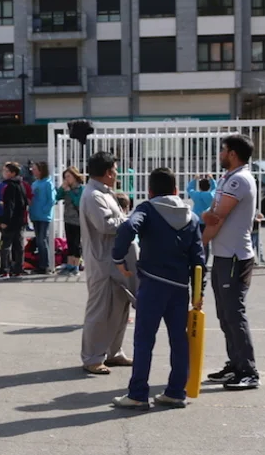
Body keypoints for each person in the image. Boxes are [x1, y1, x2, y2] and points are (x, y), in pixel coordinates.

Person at [112, 167, 206, 409]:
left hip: (153, 283)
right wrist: (199, 292)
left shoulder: (147, 209)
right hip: (180, 287)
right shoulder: (192, 217)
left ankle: (138, 394)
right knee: (179, 340)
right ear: (176, 190)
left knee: (144, 340)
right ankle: (176, 391)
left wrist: (118, 257)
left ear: (150, 191)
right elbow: (199, 259)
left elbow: (127, 227)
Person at [202, 134, 260, 390]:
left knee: (234, 314)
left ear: (233, 154)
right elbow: (211, 213)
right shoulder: (229, 178)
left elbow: (218, 216)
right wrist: (209, 215)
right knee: (225, 315)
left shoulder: (239, 180)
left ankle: (248, 371)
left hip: (235, 256)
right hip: (224, 255)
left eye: (223, 150)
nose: (220, 154)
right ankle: (235, 364)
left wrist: (201, 242)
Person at [79, 151, 133, 375]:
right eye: (115, 170)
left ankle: (113, 352)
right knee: (100, 311)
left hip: (115, 261)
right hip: (102, 262)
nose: (117, 174)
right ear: (108, 172)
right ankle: (92, 358)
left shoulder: (104, 193)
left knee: (119, 309)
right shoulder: (93, 195)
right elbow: (106, 225)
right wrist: (130, 221)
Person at [0, 161, 29, 278]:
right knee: (18, 245)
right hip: (20, 220)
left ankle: (4, 269)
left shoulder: (9, 186)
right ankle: (18, 268)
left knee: (5, 245)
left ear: (13, 173)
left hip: (11, 221)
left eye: (6, 171)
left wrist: (5, 221)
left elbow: (9, 205)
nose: (4, 173)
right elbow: (24, 202)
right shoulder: (21, 185)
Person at [56, 167, 85, 275]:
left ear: (75, 176)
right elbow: (57, 197)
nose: (67, 179)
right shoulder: (66, 188)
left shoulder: (81, 189)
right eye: (65, 177)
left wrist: (70, 192)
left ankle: (76, 266)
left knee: (76, 243)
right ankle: (69, 265)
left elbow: (78, 202)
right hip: (68, 218)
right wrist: (62, 189)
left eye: (69, 176)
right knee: (69, 242)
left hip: (77, 220)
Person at [29, 161, 56, 274]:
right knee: (39, 240)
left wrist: (45, 210)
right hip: (35, 214)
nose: (33, 171)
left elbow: (52, 199)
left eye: (35, 169)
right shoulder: (35, 183)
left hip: (44, 216)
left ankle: (45, 265)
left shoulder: (48, 183)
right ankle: (41, 263)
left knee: (42, 240)